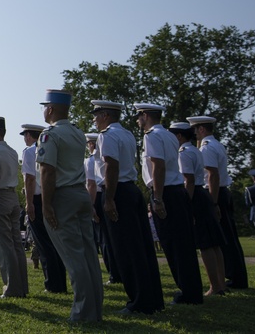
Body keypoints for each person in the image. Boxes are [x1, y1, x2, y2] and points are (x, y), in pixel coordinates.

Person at [36, 90, 103, 323]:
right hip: (80, 193)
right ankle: (94, 308)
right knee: (88, 255)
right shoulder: (77, 132)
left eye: (45, 106)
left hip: (62, 197)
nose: (43, 110)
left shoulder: (49, 135)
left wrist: (45, 204)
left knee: (73, 258)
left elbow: (47, 170)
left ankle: (83, 313)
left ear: (51, 109)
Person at [92, 101, 165, 315]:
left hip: (118, 191)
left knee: (126, 250)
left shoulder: (107, 135)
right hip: (131, 190)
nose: (94, 120)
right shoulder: (127, 134)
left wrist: (109, 198)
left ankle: (140, 301)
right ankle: (152, 298)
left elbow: (111, 166)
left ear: (105, 115)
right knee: (141, 248)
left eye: (96, 115)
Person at [137, 104, 203, 306]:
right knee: (183, 245)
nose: (137, 121)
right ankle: (192, 290)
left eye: (138, 116)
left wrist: (157, 197)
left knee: (173, 244)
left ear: (145, 116)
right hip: (177, 190)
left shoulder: (151, 136)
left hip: (165, 191)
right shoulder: (168, 135)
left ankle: (187, 293)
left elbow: (158, 165)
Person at [189, 115, 249, 290]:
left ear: (201, 129)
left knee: (221, 238)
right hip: (222, 191)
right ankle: (235, 276)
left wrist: (213, 203)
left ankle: (233, 277)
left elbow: (212, 175)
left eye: (194, 130)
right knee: (227, 237)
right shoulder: (216, 144)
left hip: (215, 193)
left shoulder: (206, 148)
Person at [169, 121, 227, 296]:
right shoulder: (195, 150)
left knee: (205, 243)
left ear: (179, 136)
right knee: (213, 243)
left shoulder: (184, 153)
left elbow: (189, 180)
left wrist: (186, 203)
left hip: (195, 196)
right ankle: (220, 283)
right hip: (203, 195)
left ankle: (214, 286)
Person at [0, 116, 28, 298]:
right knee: (17, 244)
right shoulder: (12, 151)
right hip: (13, 196)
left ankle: (12, 288)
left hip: (0, 197)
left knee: (4, 246)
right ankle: (22, 286)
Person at [20, 123, 67, 293]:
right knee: (55, 242)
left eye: (25, 135)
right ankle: (60, 281)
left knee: (43, 243)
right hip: (54, 197)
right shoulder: (50, 148)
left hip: (38, 198)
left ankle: (52, 284)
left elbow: (30, 179)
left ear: (29, 136)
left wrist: (29, 202)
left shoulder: (29, 151)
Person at [84, 132, 116, 284]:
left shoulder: (91, 161)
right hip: (107, 194)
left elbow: (91, 184)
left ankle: (113, 273)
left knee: (104, 238)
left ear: (91, 144)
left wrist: (91, 205)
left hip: (97, 197)